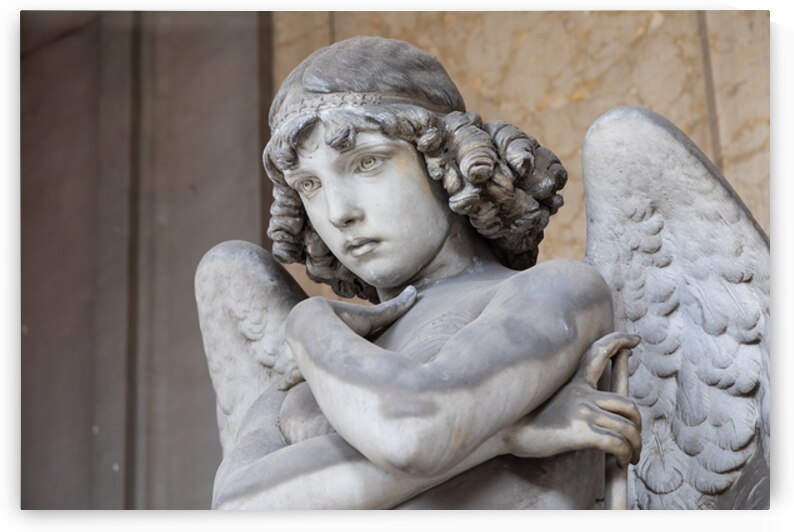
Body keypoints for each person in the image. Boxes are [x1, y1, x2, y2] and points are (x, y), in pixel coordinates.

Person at [211, 36, 641, 509]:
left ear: (444, 161)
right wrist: (501, 434)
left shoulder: (551, 293)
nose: (338, 212)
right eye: (309, 185)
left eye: (366, 163)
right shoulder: (317, 360)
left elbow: (414, 433)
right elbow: (235, 508)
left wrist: (308, 324)